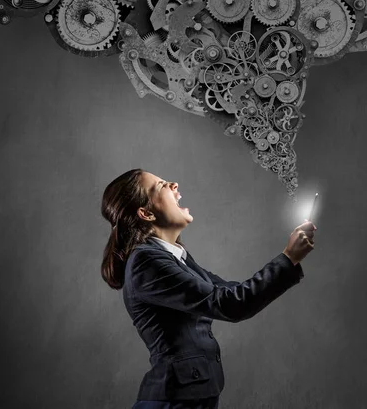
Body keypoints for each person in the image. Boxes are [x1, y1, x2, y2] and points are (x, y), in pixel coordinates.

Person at [100, 169, 317, 409]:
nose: (174, 184)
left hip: (192, 399)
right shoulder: (146, 263)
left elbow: (234, 293)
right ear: (146, 213)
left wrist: (290, 260)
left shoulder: (176, 258)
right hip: (173, 402)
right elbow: (232, 304)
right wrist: (288, 258)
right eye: (161, 185)